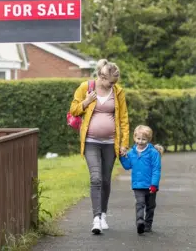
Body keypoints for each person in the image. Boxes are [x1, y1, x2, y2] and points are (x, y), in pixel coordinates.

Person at [69, 59, 130, 234]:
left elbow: (124, 119)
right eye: (110, 82)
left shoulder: (118, 92)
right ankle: (96, 218)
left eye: (114, 83)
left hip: (111, 143)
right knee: (95, 178)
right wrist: (86, 102)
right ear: (102, 77)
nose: (112, 85)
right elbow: (73, 110)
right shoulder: (85, 87)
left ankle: (103, 214)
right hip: (90, 142)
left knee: (105, 180)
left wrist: (124, 144)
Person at [120, 125, 163, 234]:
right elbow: (127, 166)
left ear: (148, 140)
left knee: (150, 206)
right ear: (134, 138)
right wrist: (122, 157)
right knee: (140, 203)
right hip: (138, 185)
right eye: (138, 139)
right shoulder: (131, 152)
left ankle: (148, 225)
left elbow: (156, 170)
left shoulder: (153, 153)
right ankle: (140, 222)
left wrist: (154, 184)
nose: (140, 141)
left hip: (150, 185)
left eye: (144, 139)